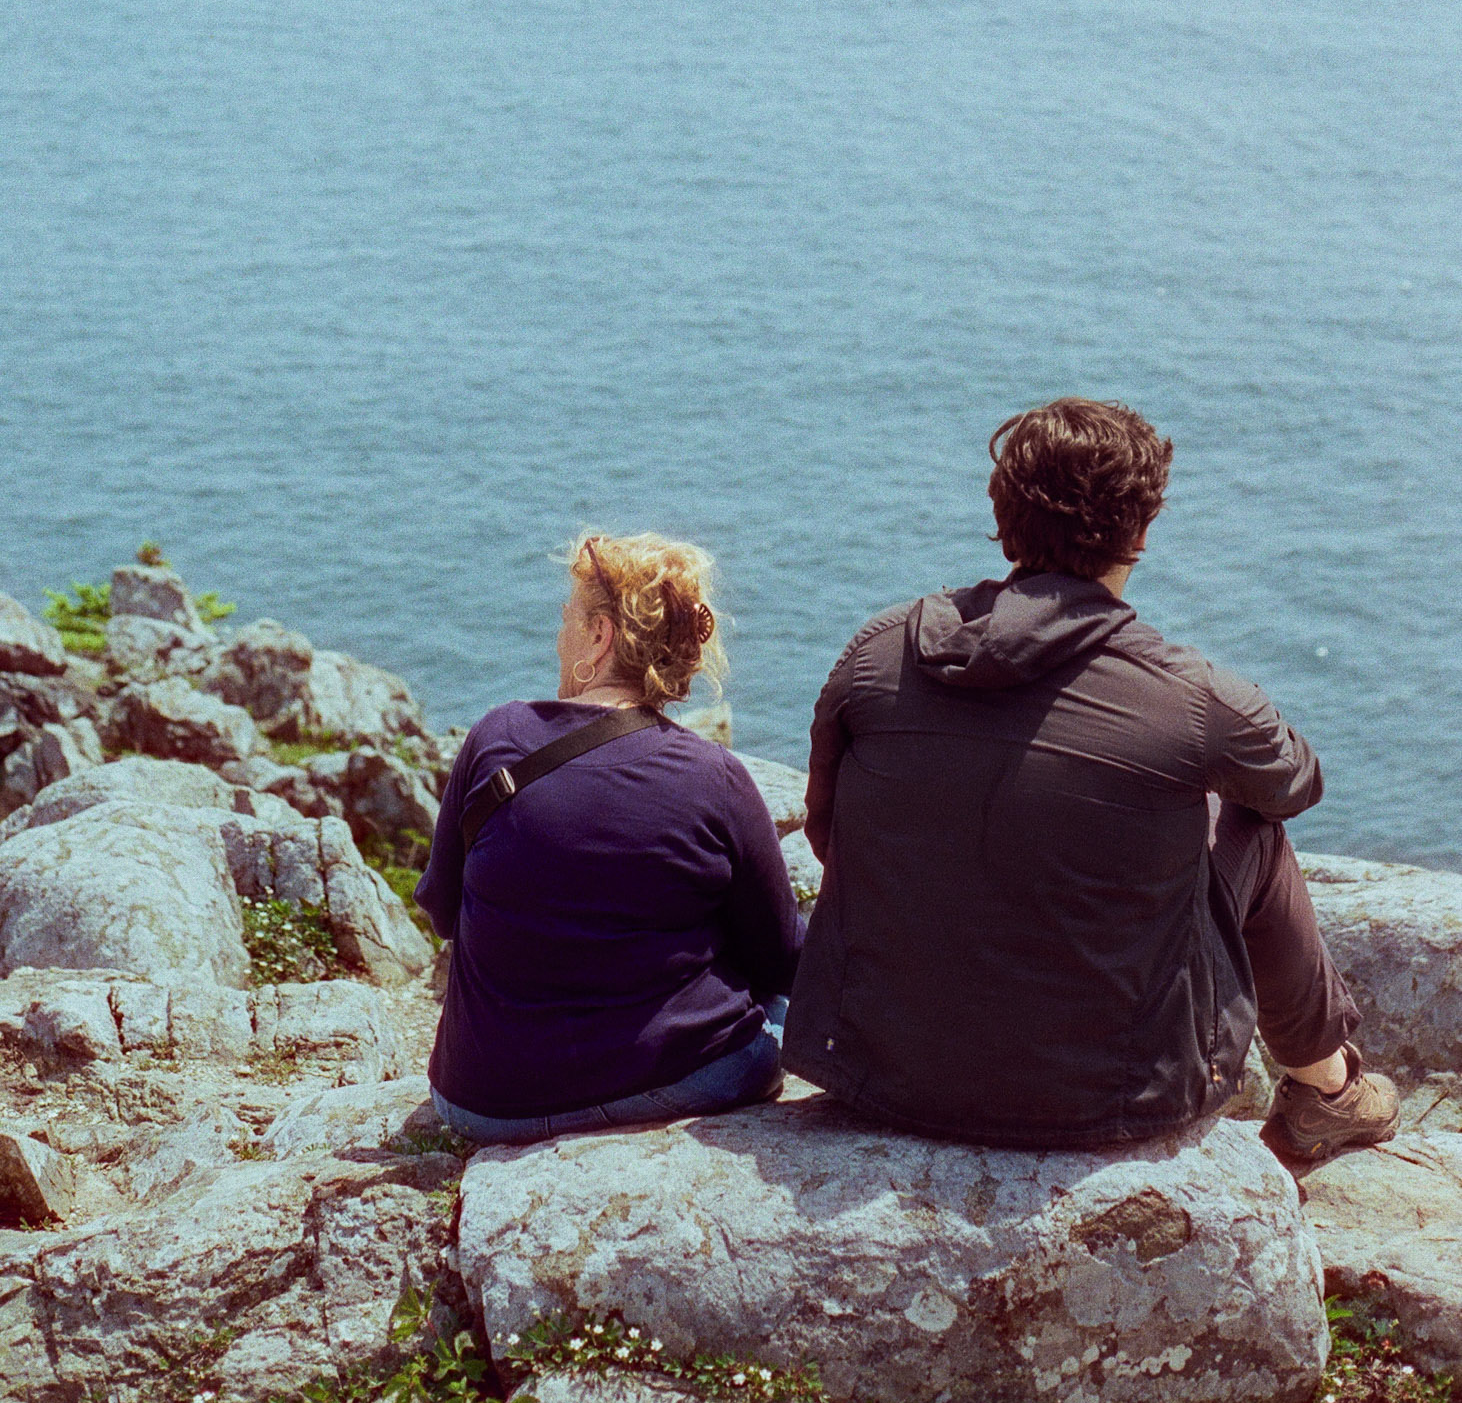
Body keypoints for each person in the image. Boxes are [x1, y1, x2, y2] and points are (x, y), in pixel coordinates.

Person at [783, 397, 1399, 1163]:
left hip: (873, 1068)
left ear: (1003, 515)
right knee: (1251, 826)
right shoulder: (1186, 696)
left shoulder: (879, 652)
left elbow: (827, 833)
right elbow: (1295, 782)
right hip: (1108, 1099)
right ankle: (1327, 1092)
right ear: (1141, 533)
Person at [417, 530, 803, 1143]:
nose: (559, 635)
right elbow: (780, 960)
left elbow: (443, 912)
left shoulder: (497, 737)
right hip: (677, 1080)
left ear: (600, 636)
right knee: (778, 1011)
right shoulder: (715, 777)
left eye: (567, 618)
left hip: (482, 1101)